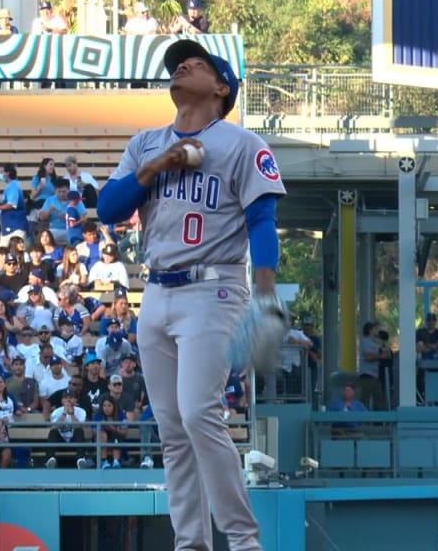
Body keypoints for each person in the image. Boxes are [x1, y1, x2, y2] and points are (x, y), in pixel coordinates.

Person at [96, 39, 284, 551]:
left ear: (221, 87)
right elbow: (108, 209)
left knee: (200, 412)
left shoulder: (243, 144)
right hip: (156, 291)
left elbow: (262, 221)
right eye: (178, 64)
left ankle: (244, 541)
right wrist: (155, 167)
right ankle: (191, 544)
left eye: (196, 63)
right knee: (173, 430)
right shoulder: (145, 143)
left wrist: (265, 294)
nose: (182, 66)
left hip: (215, 285)